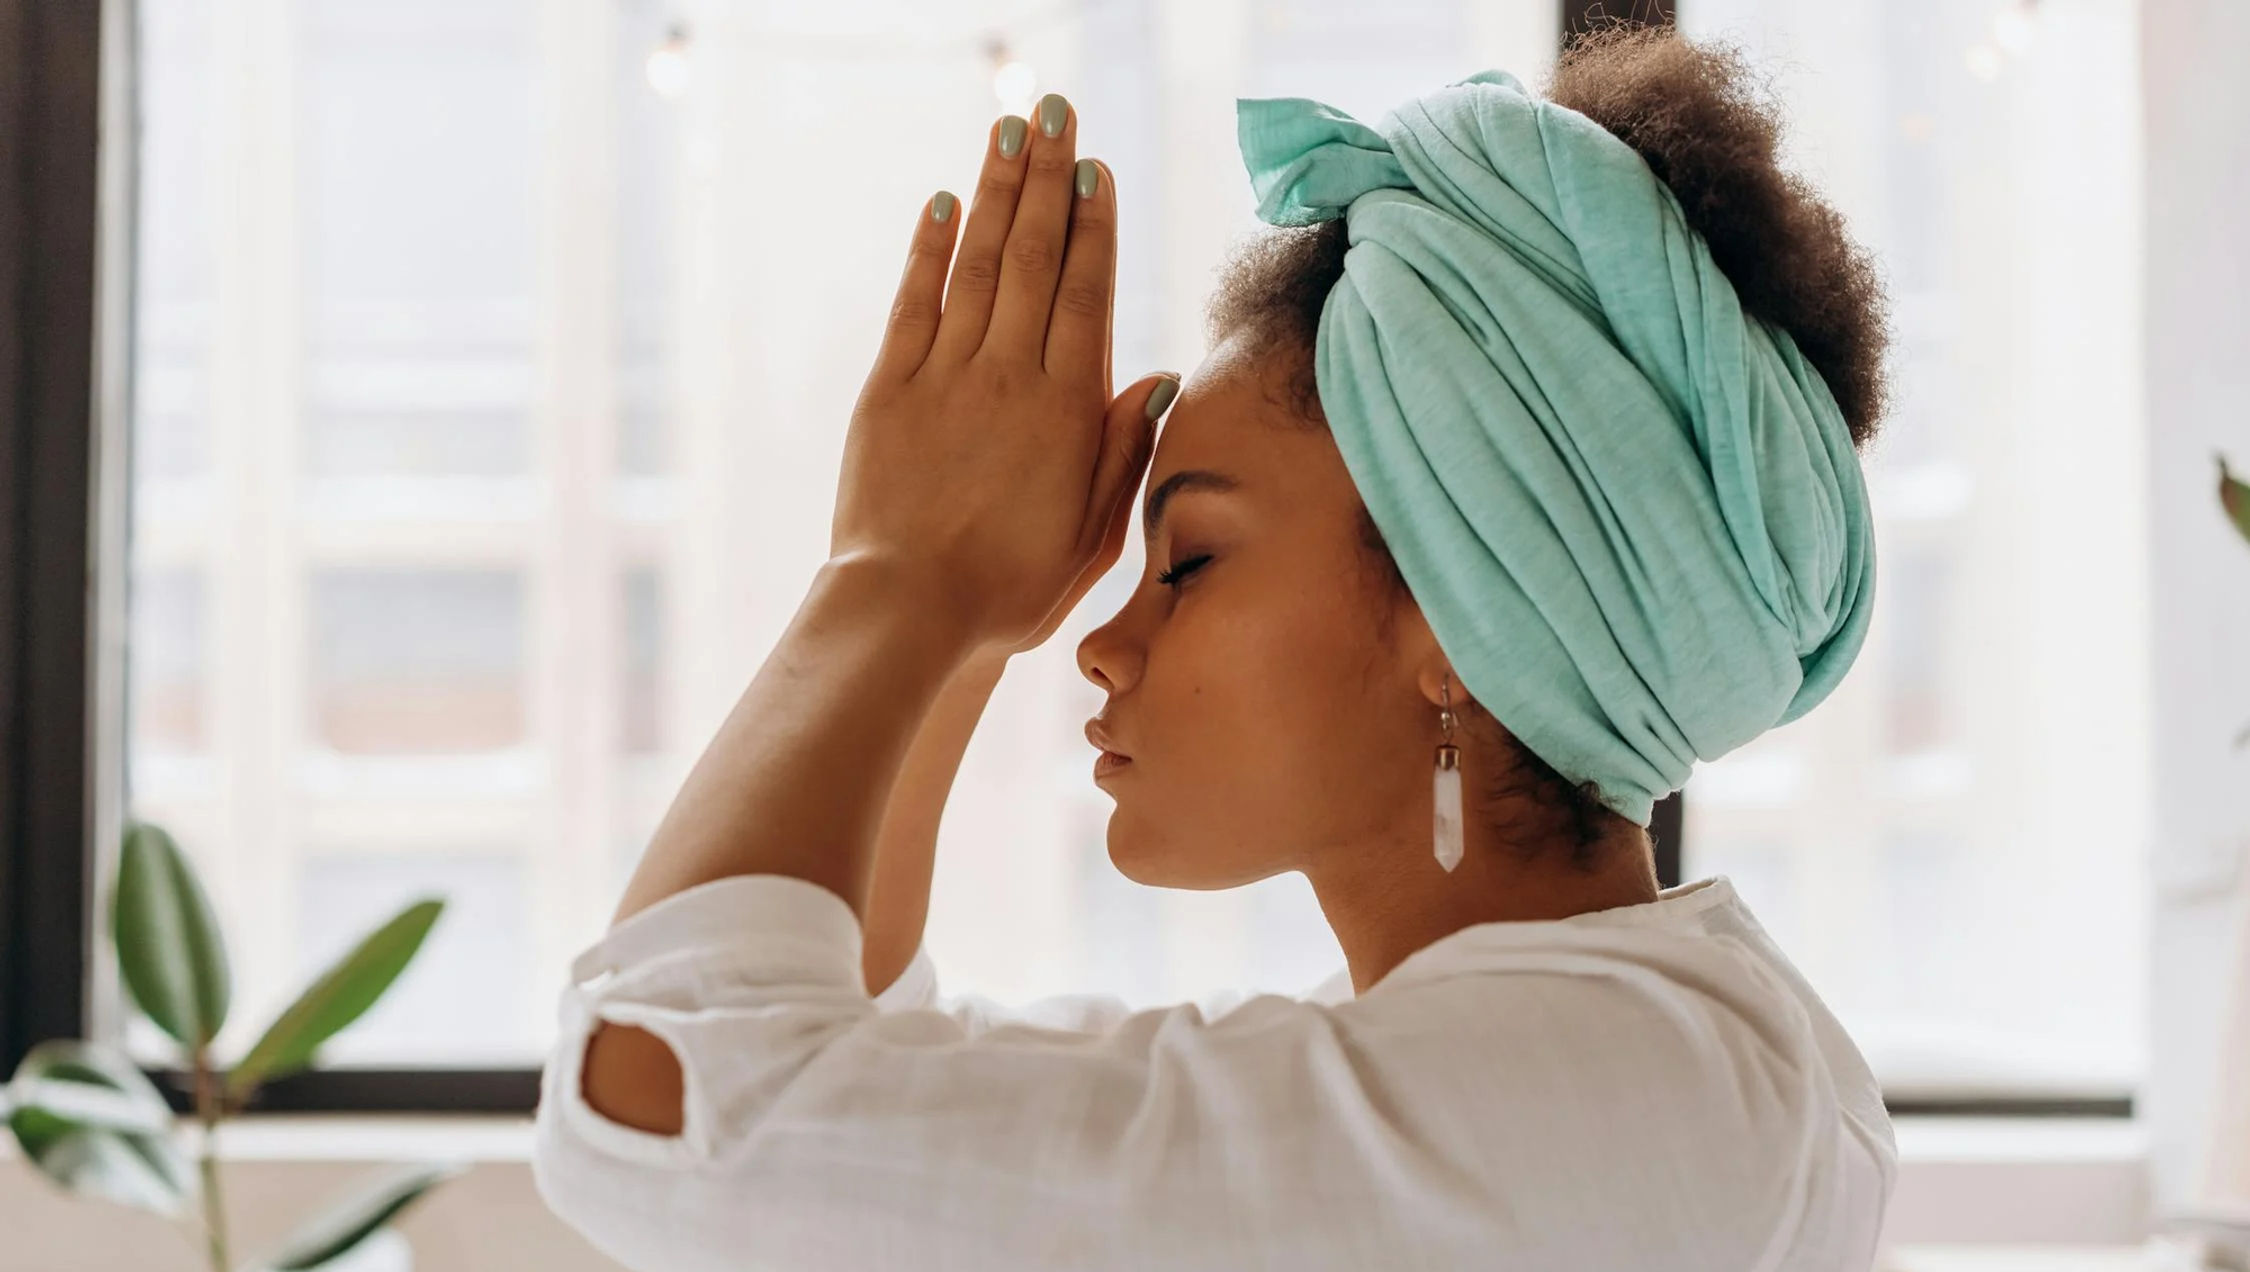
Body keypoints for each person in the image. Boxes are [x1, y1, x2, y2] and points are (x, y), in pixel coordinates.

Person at [531, 24, 1895, 1272]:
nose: (1102, 642)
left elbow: (662, 1097)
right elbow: (854, 1071)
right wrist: (965, 632)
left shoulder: (1591, 1096)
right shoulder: (1642, 1060)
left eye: (1184, 561)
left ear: (1453, 624)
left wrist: (897, 580)